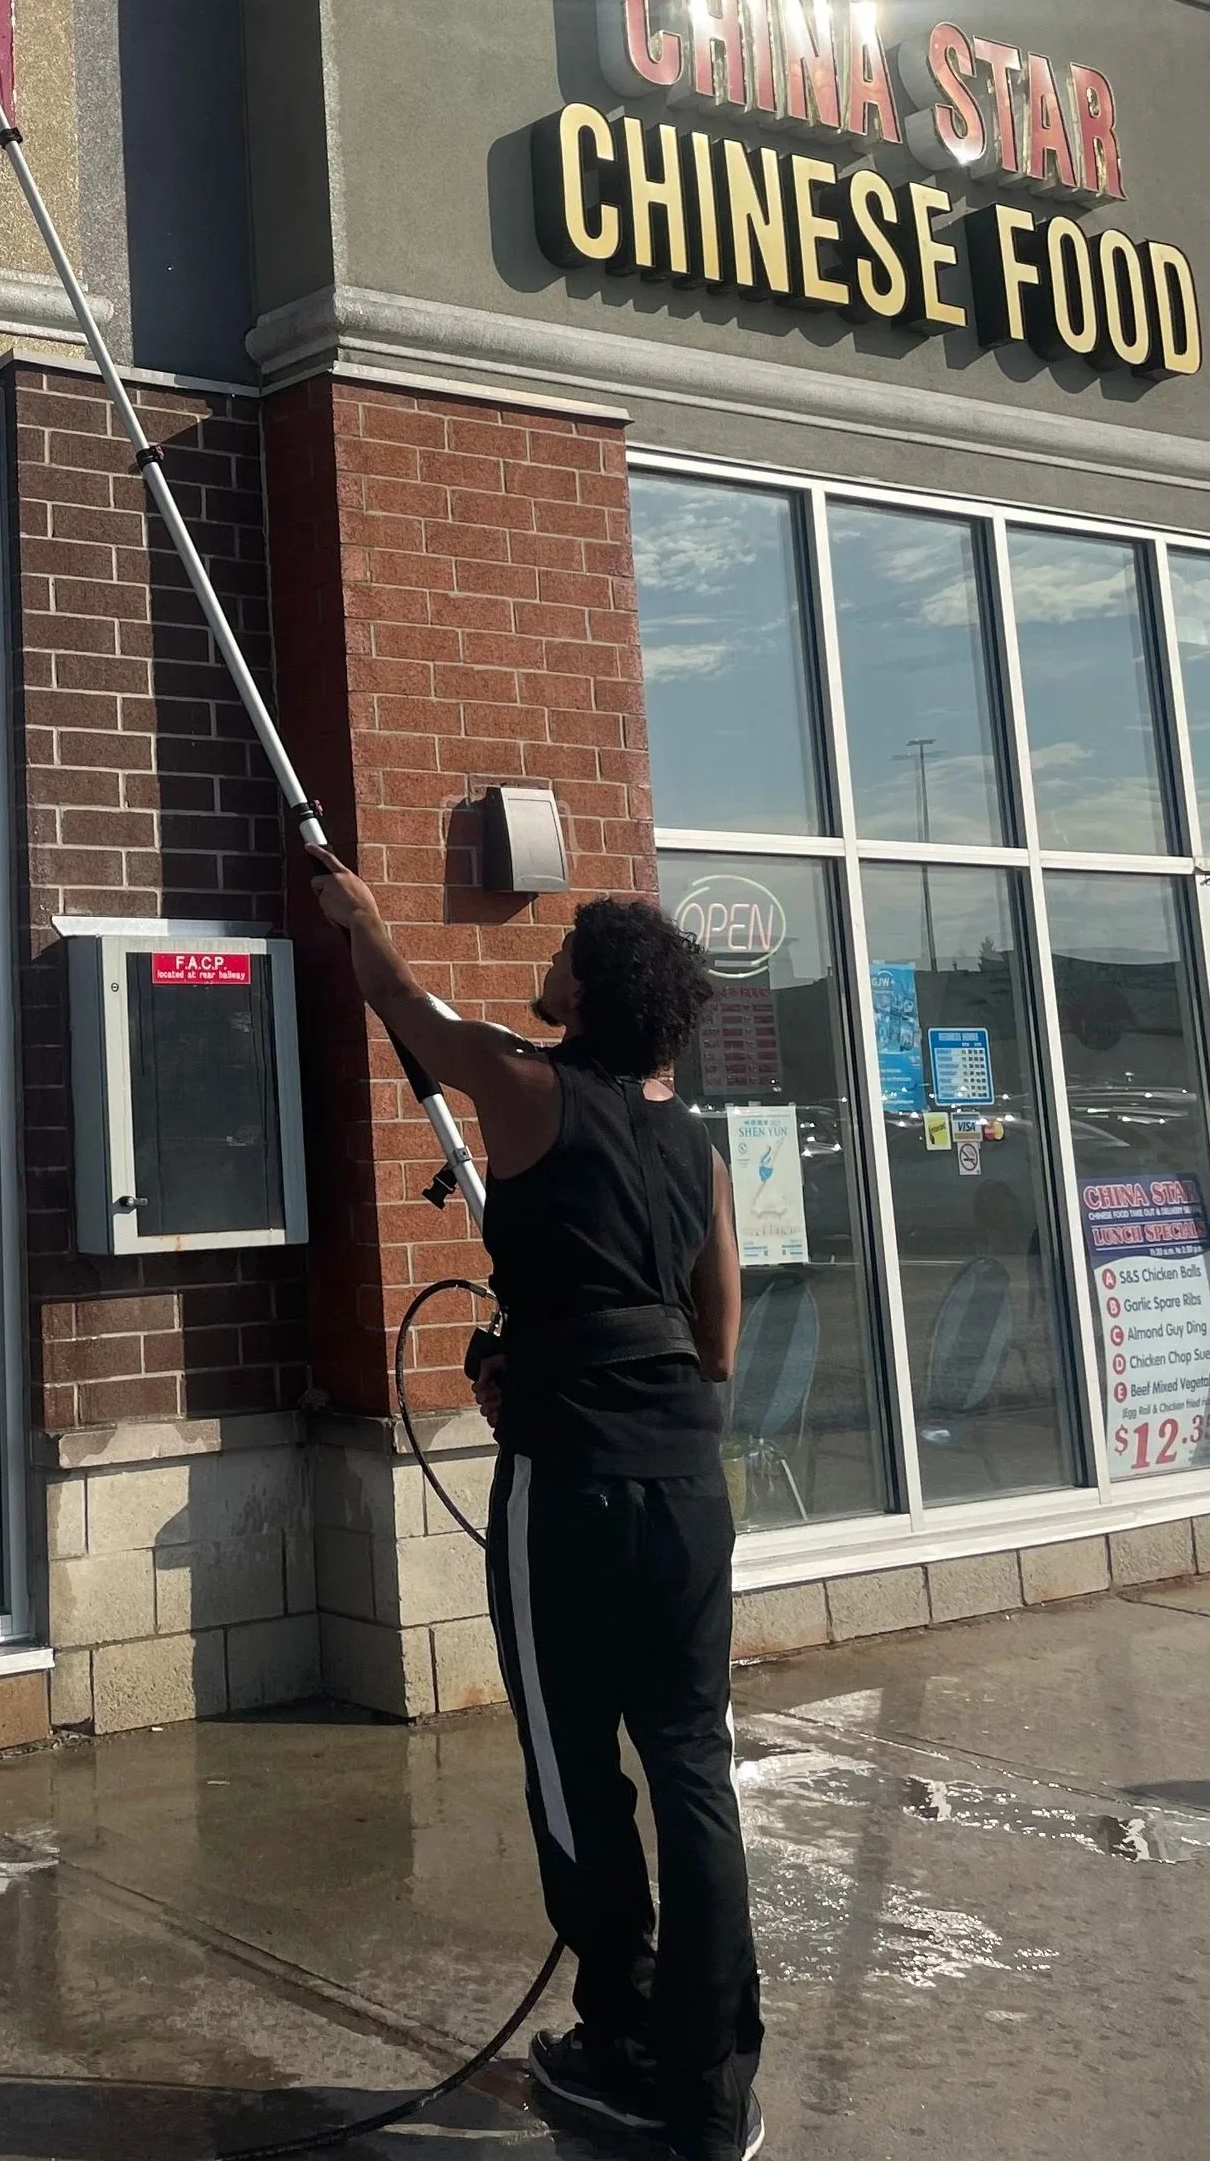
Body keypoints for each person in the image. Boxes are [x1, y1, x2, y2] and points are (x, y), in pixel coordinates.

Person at [309, 854, 764, 2161]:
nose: (547, 959)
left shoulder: (524, 1088)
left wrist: (357, 915)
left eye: (568, 950)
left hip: (569, 1480)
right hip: (687, 1485)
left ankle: (616, 2037)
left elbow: (406, 1008)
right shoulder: (697, 1151)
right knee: (691, 1761)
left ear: (590, 993)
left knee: (575, 1761)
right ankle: (715, 2077)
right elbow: (717, 1340)